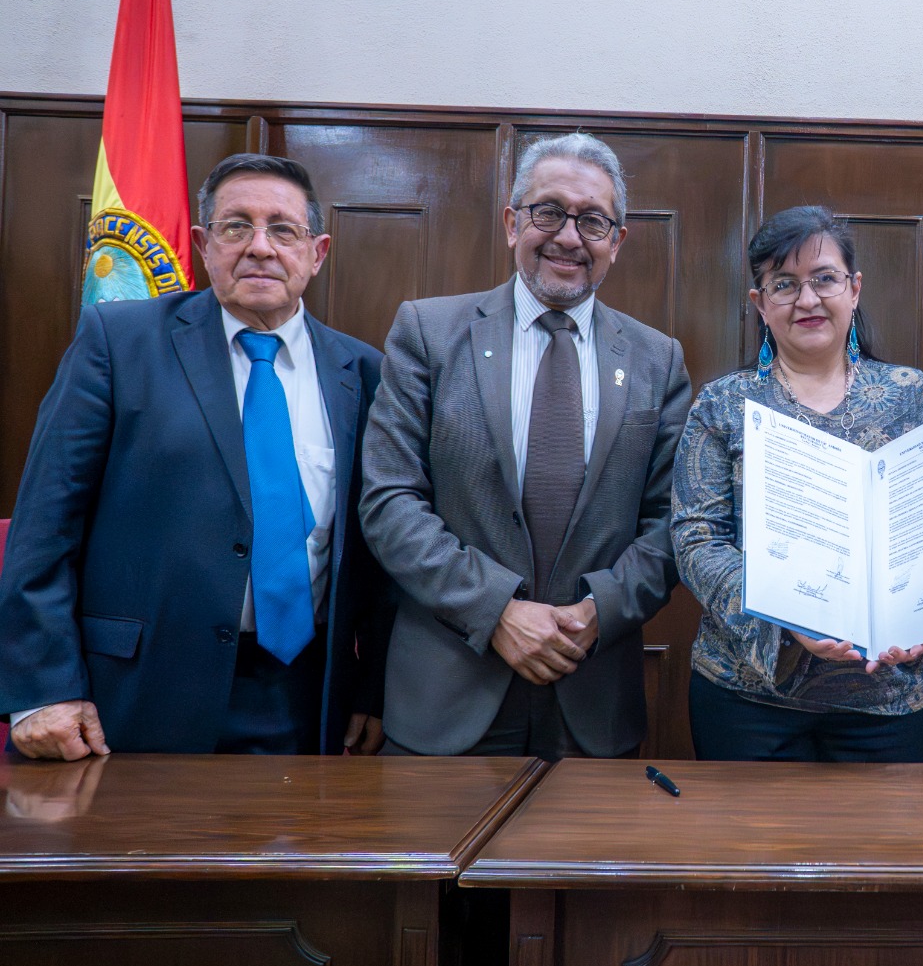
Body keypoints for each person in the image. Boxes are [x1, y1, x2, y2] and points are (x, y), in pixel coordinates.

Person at [0, 153, 391, 758]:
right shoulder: (119, 342)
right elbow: (44, 526)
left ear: (317, 253)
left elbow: (374, 553)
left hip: (306, 702)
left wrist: (370, 689)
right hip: (132, 699)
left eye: (282, 229)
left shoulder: (362, 372)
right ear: (204, 245)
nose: (260, 247)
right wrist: (43, 687)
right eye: (237, 227)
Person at [360, 133, 691, 758]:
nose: (569, 236)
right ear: (514, 223)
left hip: (591, 694)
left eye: (593, 221)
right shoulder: (428, 334)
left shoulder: (658, 359)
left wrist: (599, 612)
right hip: (446, 695)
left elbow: (674, 521)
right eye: (549, 212)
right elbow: (390, 501)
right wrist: (497, 610)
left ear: (617, 242)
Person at [672, 206, 923, 761]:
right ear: (760, 304)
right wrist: (785, 613)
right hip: (747, 698)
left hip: (885, 698)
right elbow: (695, 538)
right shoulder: (724, 403)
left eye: (824, 279)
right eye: (784, 285)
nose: (808, 299)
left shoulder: (910, 394)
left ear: (855, 288)